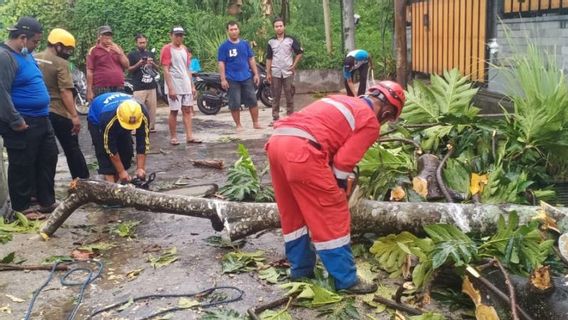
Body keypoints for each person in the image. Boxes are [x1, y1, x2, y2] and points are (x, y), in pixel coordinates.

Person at [266, 81, 406, 294]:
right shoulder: (369, 121)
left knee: (292, 212)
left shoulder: (342, 100)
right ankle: (346, 280)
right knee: (332, 213)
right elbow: (342, 163)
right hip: (303, 152)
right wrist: (339, 187)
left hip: (277, 144)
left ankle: (301, 270)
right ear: (388, 111)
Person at [0, 17, 59, 218]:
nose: (36, 46)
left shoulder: (26, 55)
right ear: (23, 38)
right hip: (22, 121)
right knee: (22, 164)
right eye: (35, 41)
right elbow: (2, 93)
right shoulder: (5, 57)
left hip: (41, 118)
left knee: (47, 158)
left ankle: (45, 201)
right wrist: (15, 120)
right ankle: (22, 207)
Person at [36, 28, 90, 180]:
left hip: (40, 112)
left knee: (43, 153)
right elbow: (66, 92)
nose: (68, 52)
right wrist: (74, 116)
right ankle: (82, 182)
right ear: (57, 45)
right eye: (67, 49)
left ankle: (41, 191)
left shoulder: (34, 58)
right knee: (72, 148)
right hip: (59, 112)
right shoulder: (61, 63)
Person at [87, 92, 149, 183]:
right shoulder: (107, 118)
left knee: (126, 153)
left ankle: (120, 180)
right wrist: (121, 171)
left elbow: (143, 142)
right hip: (97, 119)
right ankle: (111, 187)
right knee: (104, 155)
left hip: (121, 117)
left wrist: (140, 168)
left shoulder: (142, 113)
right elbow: (110, 149)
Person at [218, 21, 262, 130]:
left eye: (235, 29)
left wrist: (256, 73)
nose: (233, 31)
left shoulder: (245, 44)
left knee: (252, 100)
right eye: (231, 29)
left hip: (246, 76)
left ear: (239, 30)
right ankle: (238, 125)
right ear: (227, 31)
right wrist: (223, 79)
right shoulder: (223, 47)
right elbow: (221, 63)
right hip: (232, 78)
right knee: (235, 102)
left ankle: (256, 123)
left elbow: (251, 59)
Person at [160, 26, 200, 145]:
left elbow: (188, 68)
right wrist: (171, 88)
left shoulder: (184, 49)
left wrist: (192, 86)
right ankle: (173, 137)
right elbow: (166, 70)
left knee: (187, 110)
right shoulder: (167, 49)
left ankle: (189, 136)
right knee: (174, 111)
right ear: (171, 35)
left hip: (185, 83)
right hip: (174, 84)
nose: (179, 37)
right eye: (176, 35)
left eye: (181, 35)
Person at [266, 17, 303, 124]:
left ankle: (290, 117)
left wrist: (294, 65)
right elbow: (269, 58)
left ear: (284, 27)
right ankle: (275, 118)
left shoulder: (290, 40)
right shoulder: (271, 41)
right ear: (274, 28)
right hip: (275, 72)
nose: (278, 28)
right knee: (275, 95)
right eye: (276, 26)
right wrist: (268, 72)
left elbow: (299, 52)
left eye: (280, 26)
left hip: (288, 72)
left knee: (289, 93)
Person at [86, 25, 129, 101]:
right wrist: (89, 90)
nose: (108, 37)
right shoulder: (93, 50)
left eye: (109, 35)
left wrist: (120, 53)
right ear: (99, 36)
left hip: (118, 86)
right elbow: (89, 71)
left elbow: (127, 65)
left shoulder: (117, 48)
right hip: (101, 87)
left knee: (118, 111)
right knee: (103, 111)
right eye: (105, 34)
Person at [128, 33, 159, 133]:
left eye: (144, 42)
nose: (142, 44)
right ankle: (135, 129)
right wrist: (139, 64)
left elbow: (158, 68)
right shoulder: (132, 55)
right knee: (137, 109)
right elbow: (129, 69)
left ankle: (150, 128)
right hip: (139, 86)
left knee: (152, 110)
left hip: (151, 85)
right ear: (136, 43)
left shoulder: (150, 54)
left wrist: (152, 63)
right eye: (140, 43)